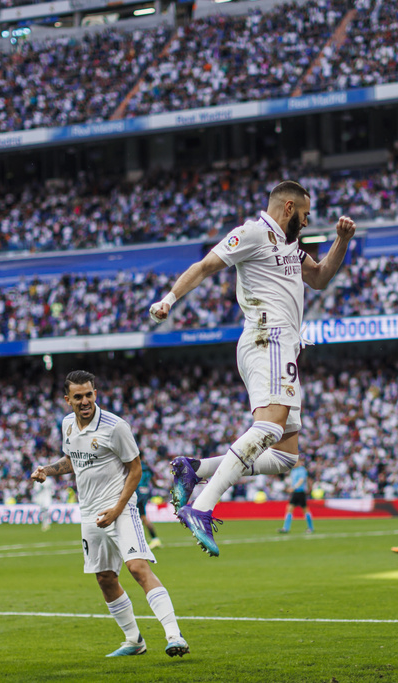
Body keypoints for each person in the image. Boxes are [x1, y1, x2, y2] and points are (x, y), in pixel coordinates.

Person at [150, 181, 356, 557]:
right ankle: (202, 506)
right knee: (269, 426)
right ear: (289, 208)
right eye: (306, 216)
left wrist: (341, 241)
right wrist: (169, 300)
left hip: (286, 348)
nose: (308, 223)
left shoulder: (293, 246)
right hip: (267, 337)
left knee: (284, 455)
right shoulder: (253, 233)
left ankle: (195, 469)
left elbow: (321, 278)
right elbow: (206, 266)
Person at [31, 370, 189, 658]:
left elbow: (135, 469)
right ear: (67, 400)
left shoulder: (115, 427)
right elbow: (71, 460)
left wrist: (118, 508)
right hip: (89, 511)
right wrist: (47, 470)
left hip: (121, 507)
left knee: (138, 568)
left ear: (95, 394)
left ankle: (174, 635)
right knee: (104, 577)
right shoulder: (67, 425)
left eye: (88, 394)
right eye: (77, 397)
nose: (84, 401)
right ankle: (134, 641)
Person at [278, 460, 313, 534]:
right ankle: (286, 528)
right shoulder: (293, 471)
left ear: (299, 462)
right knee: (289, 509)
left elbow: (301, 480)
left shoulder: (302, 470)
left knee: (305, 510)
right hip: (295, 492)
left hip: (300, 492)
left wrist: (293, 488)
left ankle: (310, 528)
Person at [134, 460, 163, 548]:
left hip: (136, 492)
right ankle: (154, 539)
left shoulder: (134, 465)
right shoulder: (147, 468)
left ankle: (149, 539)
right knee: (142, 516)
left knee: (137, 517)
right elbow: (153, 481)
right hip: (145, 492)